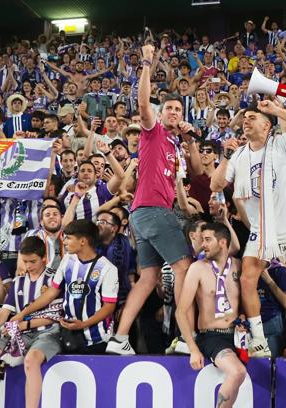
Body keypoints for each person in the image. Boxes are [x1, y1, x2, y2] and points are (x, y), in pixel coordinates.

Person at [210, 100, 286, 358]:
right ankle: (258, 341)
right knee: (247, 279)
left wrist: (278, 110)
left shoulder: (281, 144)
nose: (246, 121)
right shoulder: (239, 155)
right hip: (261, 229)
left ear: (267, 125)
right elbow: (216, 184)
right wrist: (225, 157)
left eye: (252, 118)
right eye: (244, 118)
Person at [107, 43, 194, 355]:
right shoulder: (153, 131)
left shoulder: (173, 143)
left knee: (149, 278)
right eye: (169, 108)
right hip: (154, 212)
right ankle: (186, 337)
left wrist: (188, 139)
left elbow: (195, 170)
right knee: (184, 267)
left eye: (179, 110)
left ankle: (119, 339)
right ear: (162, 113)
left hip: (143, 215)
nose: (174, 113)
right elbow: (144, 105)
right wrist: (146, 62)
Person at [0, 237, 63, 408]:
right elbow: (4, 313)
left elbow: (54, 316)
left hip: (48, 333)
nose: (28, 266)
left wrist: (24, 325)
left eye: (32, 261)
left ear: (44, 258)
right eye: (24, 261)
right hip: (19, 334)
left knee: (31, 360)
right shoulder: (19, 281)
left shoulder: (54, 280)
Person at [12, 220, 118, 354]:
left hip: (98, 338)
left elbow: (109, 307)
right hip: (69, 336)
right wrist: (22, 314)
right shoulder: (67, 259)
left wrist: (84, 324)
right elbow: (51, 293)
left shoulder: (108, 268)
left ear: (83, 241)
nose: (65, 241)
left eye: (68, 237)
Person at [175, 222, 246, 408]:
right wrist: (193, 348)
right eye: (202, 240)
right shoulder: (197, 268)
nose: (203, 244)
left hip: (240, 336)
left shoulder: (238, 266)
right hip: (212, 337)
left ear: (222, 243)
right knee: (237, 372)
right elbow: (181, 312)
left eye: (208, 240)